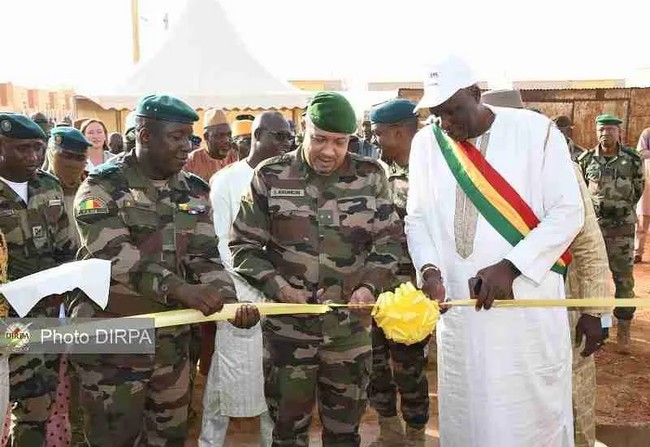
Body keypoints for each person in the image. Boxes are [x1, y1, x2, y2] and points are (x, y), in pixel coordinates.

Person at [406, 54, 584, 447]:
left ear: (476, 93)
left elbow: (569, 213)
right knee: (468, 415)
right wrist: (429, 270)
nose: (445, 124)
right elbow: (416, 217)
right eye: (436, 114)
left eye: (452, 111)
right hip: (460, 311)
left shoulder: (536, 133)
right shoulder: (426, 144)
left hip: (525, 308)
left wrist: (512, 265)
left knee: (526, 417)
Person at [70, 94, 260, 446]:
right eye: (175, 137)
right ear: (144, 135)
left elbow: (204, 256)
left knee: (170, 435)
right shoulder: (101, 186)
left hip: (171, 344)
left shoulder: (193, 189)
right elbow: (116, 256)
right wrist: (180, 289)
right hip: (115, 340)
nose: (185, 147)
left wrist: (229, 303)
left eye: (189, 138)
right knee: (113, 437)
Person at [230, 91, 403, 446]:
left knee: (344, 434)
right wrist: (277, 286)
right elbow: (243, 246)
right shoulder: (272, 175)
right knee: (288, 433)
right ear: (304, 128)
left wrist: (369, 286)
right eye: (319, 139)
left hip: (348, 336)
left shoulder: (371, 176)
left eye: (340, 142)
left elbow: (389, 244)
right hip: (289, 335)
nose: (329, 151)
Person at [482, 89, 609, 447]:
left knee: (567, 400)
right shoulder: (460, 171)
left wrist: (594, 311)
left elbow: (588, 245)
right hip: (497, 317)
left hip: (556, 310)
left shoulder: (556, 166)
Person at [200, 111, 292, 447]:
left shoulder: (291, 176)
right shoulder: (226, 180)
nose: (287, 143)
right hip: (240, 298)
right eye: (279, 136)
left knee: (277, 383)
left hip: (283, 299)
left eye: (289, 137)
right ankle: (209, 442)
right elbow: (222, 242)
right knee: (227, 379)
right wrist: (241, 295)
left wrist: (282, 291)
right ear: (257, 136)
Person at [0, 112, 74, 445]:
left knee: (35, 404)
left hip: (43, 316)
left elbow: (65, 246)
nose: (33, 157)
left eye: (38, 148)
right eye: (22, 149)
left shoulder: (48, 185)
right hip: (5, 318)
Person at [368, 99, 430, 446]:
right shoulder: (377, 174)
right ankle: (389, 432)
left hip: (413, 290)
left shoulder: (433, 172)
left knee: (409, 367)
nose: (375, 141)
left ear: (398, 131)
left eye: (379, 134)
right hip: (377, 286)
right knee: (376, 363)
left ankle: (417, 435)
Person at [578, 114, 644, 354]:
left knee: (623, 281)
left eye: (610, 130)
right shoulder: (586, 160)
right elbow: (583, 192)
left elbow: (638, 189)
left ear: (619, 133)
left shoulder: (633, 160)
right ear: (597, 132)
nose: (605, 134)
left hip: (622, 230)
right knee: (595, 280)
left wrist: (619, 209)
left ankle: (624, 328)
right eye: (601, 130)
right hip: (593, 230)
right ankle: (602, 328)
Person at [184, 108, 238, 183]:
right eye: (220, 135)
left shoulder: (236, 158)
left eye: (229, 135)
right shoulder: (191, 161)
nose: (226, 140)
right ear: (206, 136)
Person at [634, 127, 650, 262]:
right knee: (643, 218)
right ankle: (637, 252)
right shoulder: (647, 133)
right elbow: (640, 152)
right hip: (649, 181)